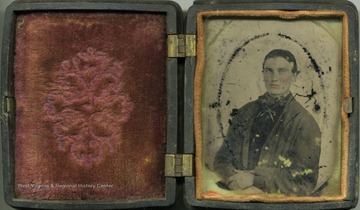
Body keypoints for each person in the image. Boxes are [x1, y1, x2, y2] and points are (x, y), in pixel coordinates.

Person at [213, 49, 321, 196]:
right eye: (269, 71)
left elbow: (305, 183)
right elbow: (221, 160)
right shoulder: (245, 112)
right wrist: (238, 182)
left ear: (294, 76)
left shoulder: (305, 123)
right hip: (236, 196)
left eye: (282, 71)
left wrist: (255, 181)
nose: (274, 78)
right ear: (263, 74)